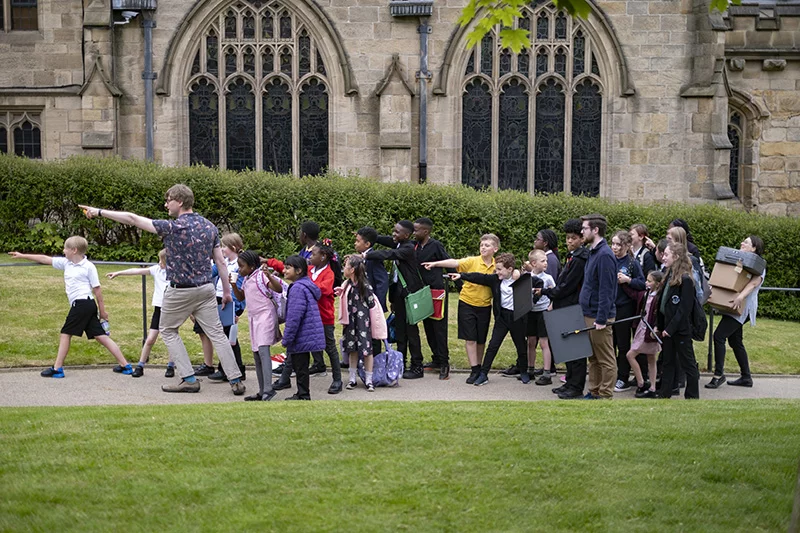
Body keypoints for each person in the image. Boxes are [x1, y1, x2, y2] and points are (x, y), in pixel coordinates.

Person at [78, 185, 246, 396]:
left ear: (180, 202)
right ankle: (236, 380)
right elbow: (221, 262)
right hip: (205, 290)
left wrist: (99, 212)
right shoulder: (210, 227)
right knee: (217, 334)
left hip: (180, 291)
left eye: (168, 200)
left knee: (167, 330)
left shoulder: (172, 227)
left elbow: (132, 218)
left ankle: (188, 379)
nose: (166, 205)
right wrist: (228, 293)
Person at [9, 237, 133, 378]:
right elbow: (44, 258)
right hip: (84, 305)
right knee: (101, 336)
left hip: (83, 304)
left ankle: (57, 368)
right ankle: (126, 365)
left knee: (65, 333)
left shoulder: (88, 267)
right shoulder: (66, 263)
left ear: (74, 250)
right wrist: (22, 255)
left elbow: (97, 290)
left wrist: (103, 312)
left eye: (65, 248)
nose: (63, 251)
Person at [422, 234, 499, 384]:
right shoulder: (472, 261)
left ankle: (480, 366)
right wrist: (435, 263)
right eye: (481, 245)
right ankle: (474, 369)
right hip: (467, 303)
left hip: (484, 306)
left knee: (481, 340)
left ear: (495, 249)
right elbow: (454, 262)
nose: (483, 247)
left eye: (487, 245)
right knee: (470, 338)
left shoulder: (497, 265)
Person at [448, 253, 527, 387]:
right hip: (502, 318)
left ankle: (524, 371)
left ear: (509, 269)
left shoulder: (520, 279)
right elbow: (479, 277)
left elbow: (538, 282)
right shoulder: (496, 279)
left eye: (500, 269)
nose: (497, 272)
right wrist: (462, 275)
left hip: (517, 318)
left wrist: (520, 273)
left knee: (520, 345)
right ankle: (483, 374)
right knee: (492, 346)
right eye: (496, 269)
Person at [364, 220, 425, 379]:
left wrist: (366, 254)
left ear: (406, 235)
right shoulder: (399, 243)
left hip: (409, 295)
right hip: (399, 295)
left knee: (411, 331)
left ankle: (417, 366)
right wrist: (370, 236)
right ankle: (401, 362)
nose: (393, 234)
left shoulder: (407, 248)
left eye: (397, 232)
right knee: (400, 331)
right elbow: (384, 240)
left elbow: (388, 254)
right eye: (394, 231)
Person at [706, 236, 765, 389]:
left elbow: (753, 283)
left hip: (742, 307)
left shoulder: (758, 266)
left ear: (754, 248)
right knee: (735, 341)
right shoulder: (740, 260)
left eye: (746, 243)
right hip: (733, 305)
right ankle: (746, 377)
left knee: (718, 336)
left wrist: (740, 297)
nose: (742, 243)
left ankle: (718, 375)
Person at [540, 218, 590, 400]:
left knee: (576, 350)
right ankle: (569, 382)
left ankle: (576, 387)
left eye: (573, 238)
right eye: (568, 238)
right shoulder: (573, 257)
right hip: (564, 305)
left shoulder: (581, 259)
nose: (569, 241)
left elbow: (567, 286)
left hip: (572, 306)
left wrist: (546, 292)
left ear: (581, 239)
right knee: (568, 348)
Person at [106, 249, 174, 378]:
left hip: (171, 309)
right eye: (159, 260)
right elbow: (135, 271)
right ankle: (140, 365)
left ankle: (171, 365)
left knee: (171, 338)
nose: (159, 263)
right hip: (159, 309)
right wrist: (119, 273)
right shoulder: (156, 270)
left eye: (162, 261)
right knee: (150, 339)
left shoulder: (176, 274)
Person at [232, 250, 286, 401]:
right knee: (256, 353)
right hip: (254, 318)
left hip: (266, 315)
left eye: (241, 266)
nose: (239, 269)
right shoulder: (247, 278)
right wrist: (233, 285)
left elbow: (278, 289)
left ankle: (269, 389)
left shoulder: (261, 276)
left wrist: (269, 275)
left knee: (263, 350)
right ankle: (262, 390)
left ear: (251, 266)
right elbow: (241, 296)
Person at [578, 214, 617, 400]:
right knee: (592, 357)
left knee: (605, 358)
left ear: (595, 230)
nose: (581, 232)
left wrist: (602, 318)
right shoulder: (593, 252)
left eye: (584, 228)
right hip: (589, 313)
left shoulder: (605, 255)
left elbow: (606, 290)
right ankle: (594, 391)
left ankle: (605, 394)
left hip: (599, 316)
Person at [655, 241, 700, 399]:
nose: (663, 257)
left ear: (676, 257)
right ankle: (664, 393)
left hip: (680, 330)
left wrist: (670, 328)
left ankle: (692, 396)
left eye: (667, 254)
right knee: (667, 362)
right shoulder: (668, 275)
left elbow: (684, 309)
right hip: (667, 328)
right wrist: (659, 325)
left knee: (688, 363)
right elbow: (663, 303)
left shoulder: (686, 280)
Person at [281, 255, 326, 400]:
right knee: (302, 366)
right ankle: (302, 392)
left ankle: (303, 394)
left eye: (288, 268)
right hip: (307, 332)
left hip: (302, 334)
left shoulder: (297, 289)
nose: (284, 270)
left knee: (300, 367)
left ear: (299, 270)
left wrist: (287, 338)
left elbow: (294, 316)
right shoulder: (306, 285)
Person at [413, 217, 452, 380]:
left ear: (426, 231)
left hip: (435, 292)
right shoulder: (415, 247)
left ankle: (444, 363)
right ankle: (436, 359)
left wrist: (435, 264)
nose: (414, 233)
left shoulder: (435, 245)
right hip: (421, 292)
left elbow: (450, 261)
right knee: (428, 327)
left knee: (438, 329)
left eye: (416, 230)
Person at [204, 233, 247, 382]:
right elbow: (211, 273)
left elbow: (239, 287)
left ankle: (228, 369)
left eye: (224, 246)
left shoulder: (239, 265)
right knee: (225, 336)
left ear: (233, 248)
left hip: (230, 302)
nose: (222, 249)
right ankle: (236, 368)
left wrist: (236, 309)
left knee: (228, 337)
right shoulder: (224, 262)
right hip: (219, 298)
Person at [610, 230, 646, 393]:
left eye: (618, 244)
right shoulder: (608, 259)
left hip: (624, 307)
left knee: (623, 344)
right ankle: (611, 374)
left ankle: (622, 377)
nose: (615, 247)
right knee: (610, 343)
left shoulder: (632, 262)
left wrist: (627, 280)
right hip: (609, 307)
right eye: (613, 243)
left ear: (626, 246)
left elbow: (642, 283)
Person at [338, 255, 379, 392]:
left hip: (363, 323)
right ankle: (352, 378)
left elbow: (372, 303)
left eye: (346, 266)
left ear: (353, 270)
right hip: (351, 322)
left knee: (367, 350)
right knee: (352, 349)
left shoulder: (364, 286)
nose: (344, 269)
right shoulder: (347, 284)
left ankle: (369, 379)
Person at [308, 241, 344, 393]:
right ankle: (317, 365)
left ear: (323, 257)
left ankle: (337, 379)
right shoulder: (309, 270)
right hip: (310, 315)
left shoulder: (329, 273)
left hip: (324, 317)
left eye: (313, 254)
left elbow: (323, 288)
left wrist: (306, 285)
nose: (310, 256)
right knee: (309, 343)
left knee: (330, 347)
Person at [626, 270, 665, 399]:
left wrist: (656, 328)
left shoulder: (658, 298)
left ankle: (642, 382)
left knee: (631, 355)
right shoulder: (647, 294)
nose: (646, 283)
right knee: (650, 358)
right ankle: (651, 386)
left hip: (649, 331)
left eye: (649, 281)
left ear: (658, 284)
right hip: (642, 329)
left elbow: (658, 315)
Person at [354, 226, 389, 359]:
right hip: (361, 301)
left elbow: (382, 281)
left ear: (367, 244)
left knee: (374, 333)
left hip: (371, 303)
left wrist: (376, 303)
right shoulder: (360, 258)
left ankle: (375, 360)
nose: (355, 243)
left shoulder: (374, 258)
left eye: (358, 241)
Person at [524, 250, 556, 386]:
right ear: (533, 263)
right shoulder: (526, 278)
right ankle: (530, 369)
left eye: (546, 261)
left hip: (543, 312)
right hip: (531, 312)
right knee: (531, 342)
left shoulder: (548, 278)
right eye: (543, 261)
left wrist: (550, 307)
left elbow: (555, 293)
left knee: (544, 342)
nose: (546, 263)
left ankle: (547, 372)